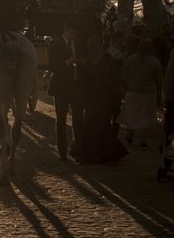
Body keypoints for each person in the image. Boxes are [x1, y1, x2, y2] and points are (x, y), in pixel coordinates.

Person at [78, 33, 129, 163]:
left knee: (102, 120)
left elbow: (114, 75)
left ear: (100, 42)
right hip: (90, 95)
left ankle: (104, 152)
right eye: (92, 40)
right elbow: (82, 76)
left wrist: (116, 89)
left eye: (96, 40)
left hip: (103, 94)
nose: (94, 43)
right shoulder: (86, 57)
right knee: (89, 120)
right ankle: (88, 152)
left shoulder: (106, 57)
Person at [47, 20, 84, 161]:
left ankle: (78, 151)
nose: (73, 35)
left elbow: (84, 62)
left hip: (76, 85)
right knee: (61, 120)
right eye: (71, 32)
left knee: (78, 120)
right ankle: (62, 150)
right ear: (65, 30)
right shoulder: (54, 43)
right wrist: (68, 62)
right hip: (61, 87)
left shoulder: (80, 44)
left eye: (75, 33)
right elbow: (52, 66)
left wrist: (81, 62)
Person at [123, 38, 162, 150]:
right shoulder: (155, 62)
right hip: (148, 93)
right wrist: (159, 95)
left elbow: (125, 75)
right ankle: (143, 141)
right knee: (146, 117)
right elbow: (158, 81)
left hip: (132, 91)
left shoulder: (131, 59)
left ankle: (130, 134)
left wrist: (125, 88)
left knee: (132, 115)